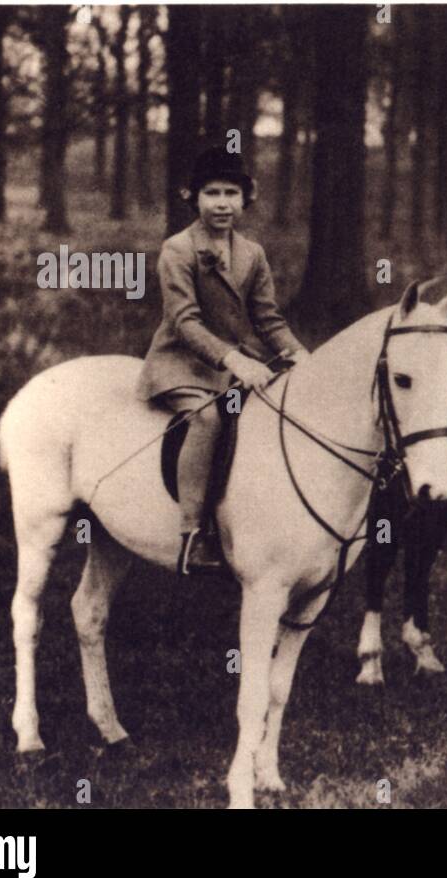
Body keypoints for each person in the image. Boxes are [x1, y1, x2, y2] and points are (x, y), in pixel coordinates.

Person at [136, 147, 306, 574]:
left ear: (246, 198)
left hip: (233, 365)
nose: (223, 203)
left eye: (232, 192)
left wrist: (300, 355)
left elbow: (268, 319)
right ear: (192, 197)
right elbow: (184, 322)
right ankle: (192, 532)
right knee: (207, 420)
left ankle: (256, 523)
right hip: (181, 364)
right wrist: (235, 359)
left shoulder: (252, 253)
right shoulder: (177, 249)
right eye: (212, 193)